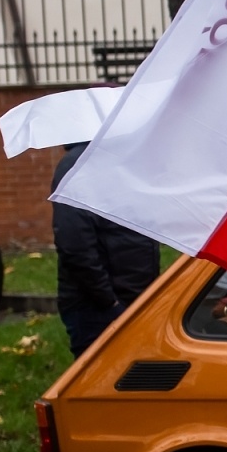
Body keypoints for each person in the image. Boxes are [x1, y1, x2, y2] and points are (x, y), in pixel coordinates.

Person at [51, 141, 161, 356]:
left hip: (132, 299)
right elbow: (74, 243)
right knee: (102, 382)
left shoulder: (116, 159)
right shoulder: (78, 165)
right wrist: (109, 302)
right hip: (98, 309)